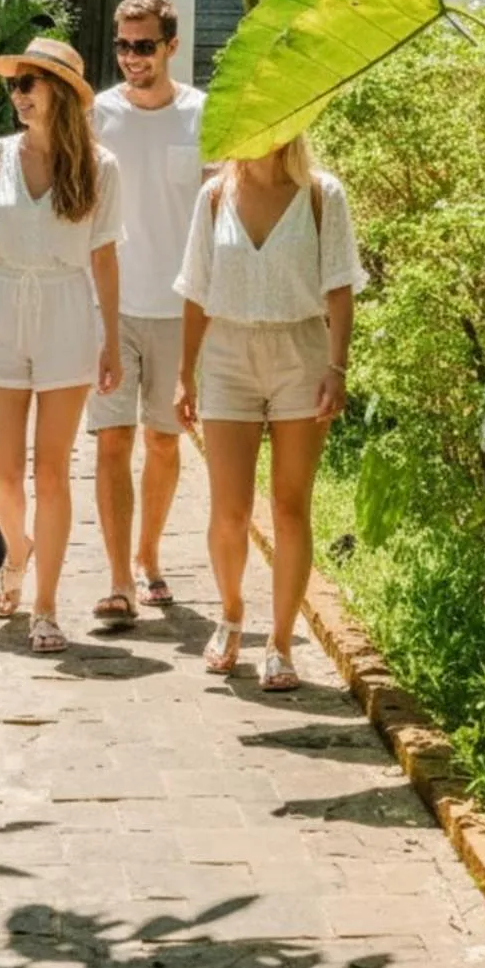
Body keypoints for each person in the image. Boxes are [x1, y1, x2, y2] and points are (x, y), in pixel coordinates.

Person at [0, 37, 123, 655]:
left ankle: (45, 605)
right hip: (2, 307)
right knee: (2, 476)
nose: (18, 95)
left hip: (67, 313)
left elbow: (104, 258)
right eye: (15, 84)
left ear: (61, 95)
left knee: (52, 471)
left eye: (30, 84)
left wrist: (112, 340)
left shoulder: (101, 168)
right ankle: (17, 552)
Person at [173, 134, 365, 690]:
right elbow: (194, 292)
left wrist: (338, 366)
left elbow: (339, 289)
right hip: (229, 354)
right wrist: (184, 374)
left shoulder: (321, 194)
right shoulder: (214, 196)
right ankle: (232, 614)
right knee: (229, 510)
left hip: (300, 353)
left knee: (288, 505)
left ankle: (280, 643)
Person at [86, 0, 205, 627]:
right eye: (124, 46)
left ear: (171, 47)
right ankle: (116, 581)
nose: (132, 58)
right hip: (110, 306)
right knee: (112, 440)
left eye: (144, 46)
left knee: (163, 441)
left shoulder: (201, 116)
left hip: (180, 308)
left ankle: (149, 555)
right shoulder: (97, 115)